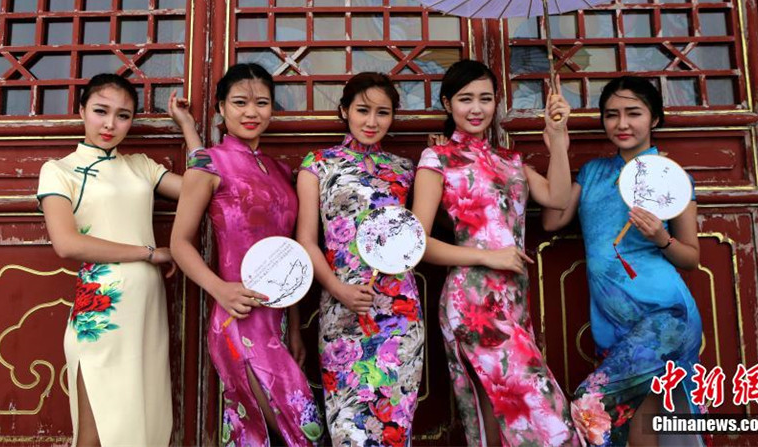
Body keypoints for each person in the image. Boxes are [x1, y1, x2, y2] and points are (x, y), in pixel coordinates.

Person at [411, 60, 580, 447]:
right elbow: (416, 244)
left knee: (499, 411)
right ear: (447, 103)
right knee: (542, 410)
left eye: (485, 99)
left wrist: (557, 138)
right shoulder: (437, 160)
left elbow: (556, 198)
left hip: (513, 299)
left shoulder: (510, 161)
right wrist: (489, 256)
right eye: (465, 99)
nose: (476, 108)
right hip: (472, 301)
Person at [37, 73, 202, 447]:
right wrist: (149, 253)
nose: (110, 124)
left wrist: (188, 127)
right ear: (81, 111)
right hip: (102, 310)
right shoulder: (58, 170)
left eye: (123, 115)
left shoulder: (140, 166)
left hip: (147, 308)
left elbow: (203, 185)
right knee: (98, 432)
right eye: (100, 111)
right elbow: (67, 244)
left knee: (144, 422)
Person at [542, 75, 704, 447]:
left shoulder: (670, 177)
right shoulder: (593, 172)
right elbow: (552, 220)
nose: (622, 123)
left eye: (634, 113)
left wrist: (659, 237)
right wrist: (558, 141)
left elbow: (691, 257)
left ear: (655, 119)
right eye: (612, 114)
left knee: (591, 404)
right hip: (614, 322)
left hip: (665, 318)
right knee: (637, 427)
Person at [169, 63, 322, 447]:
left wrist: (295, 318)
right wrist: (220, 289)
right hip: (238, 316)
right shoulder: (208, 165)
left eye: (261, 103)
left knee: (263, 434)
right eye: (239, 102)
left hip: (281, 319)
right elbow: (180, 243)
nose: (251, 112)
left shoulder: (279, 170)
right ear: (221, 108)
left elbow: (288, 253)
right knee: (300, 430)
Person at [297, 72, 425, 447]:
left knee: (393, 427)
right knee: (348, 428)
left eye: (382, 113)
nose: (372, 122)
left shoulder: (404, 169)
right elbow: (306, 240)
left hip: (398, 313)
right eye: (363, 110)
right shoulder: (318, 164)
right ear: (344, 111)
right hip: (344, 310)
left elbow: (417, 233)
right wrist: (338, 289)